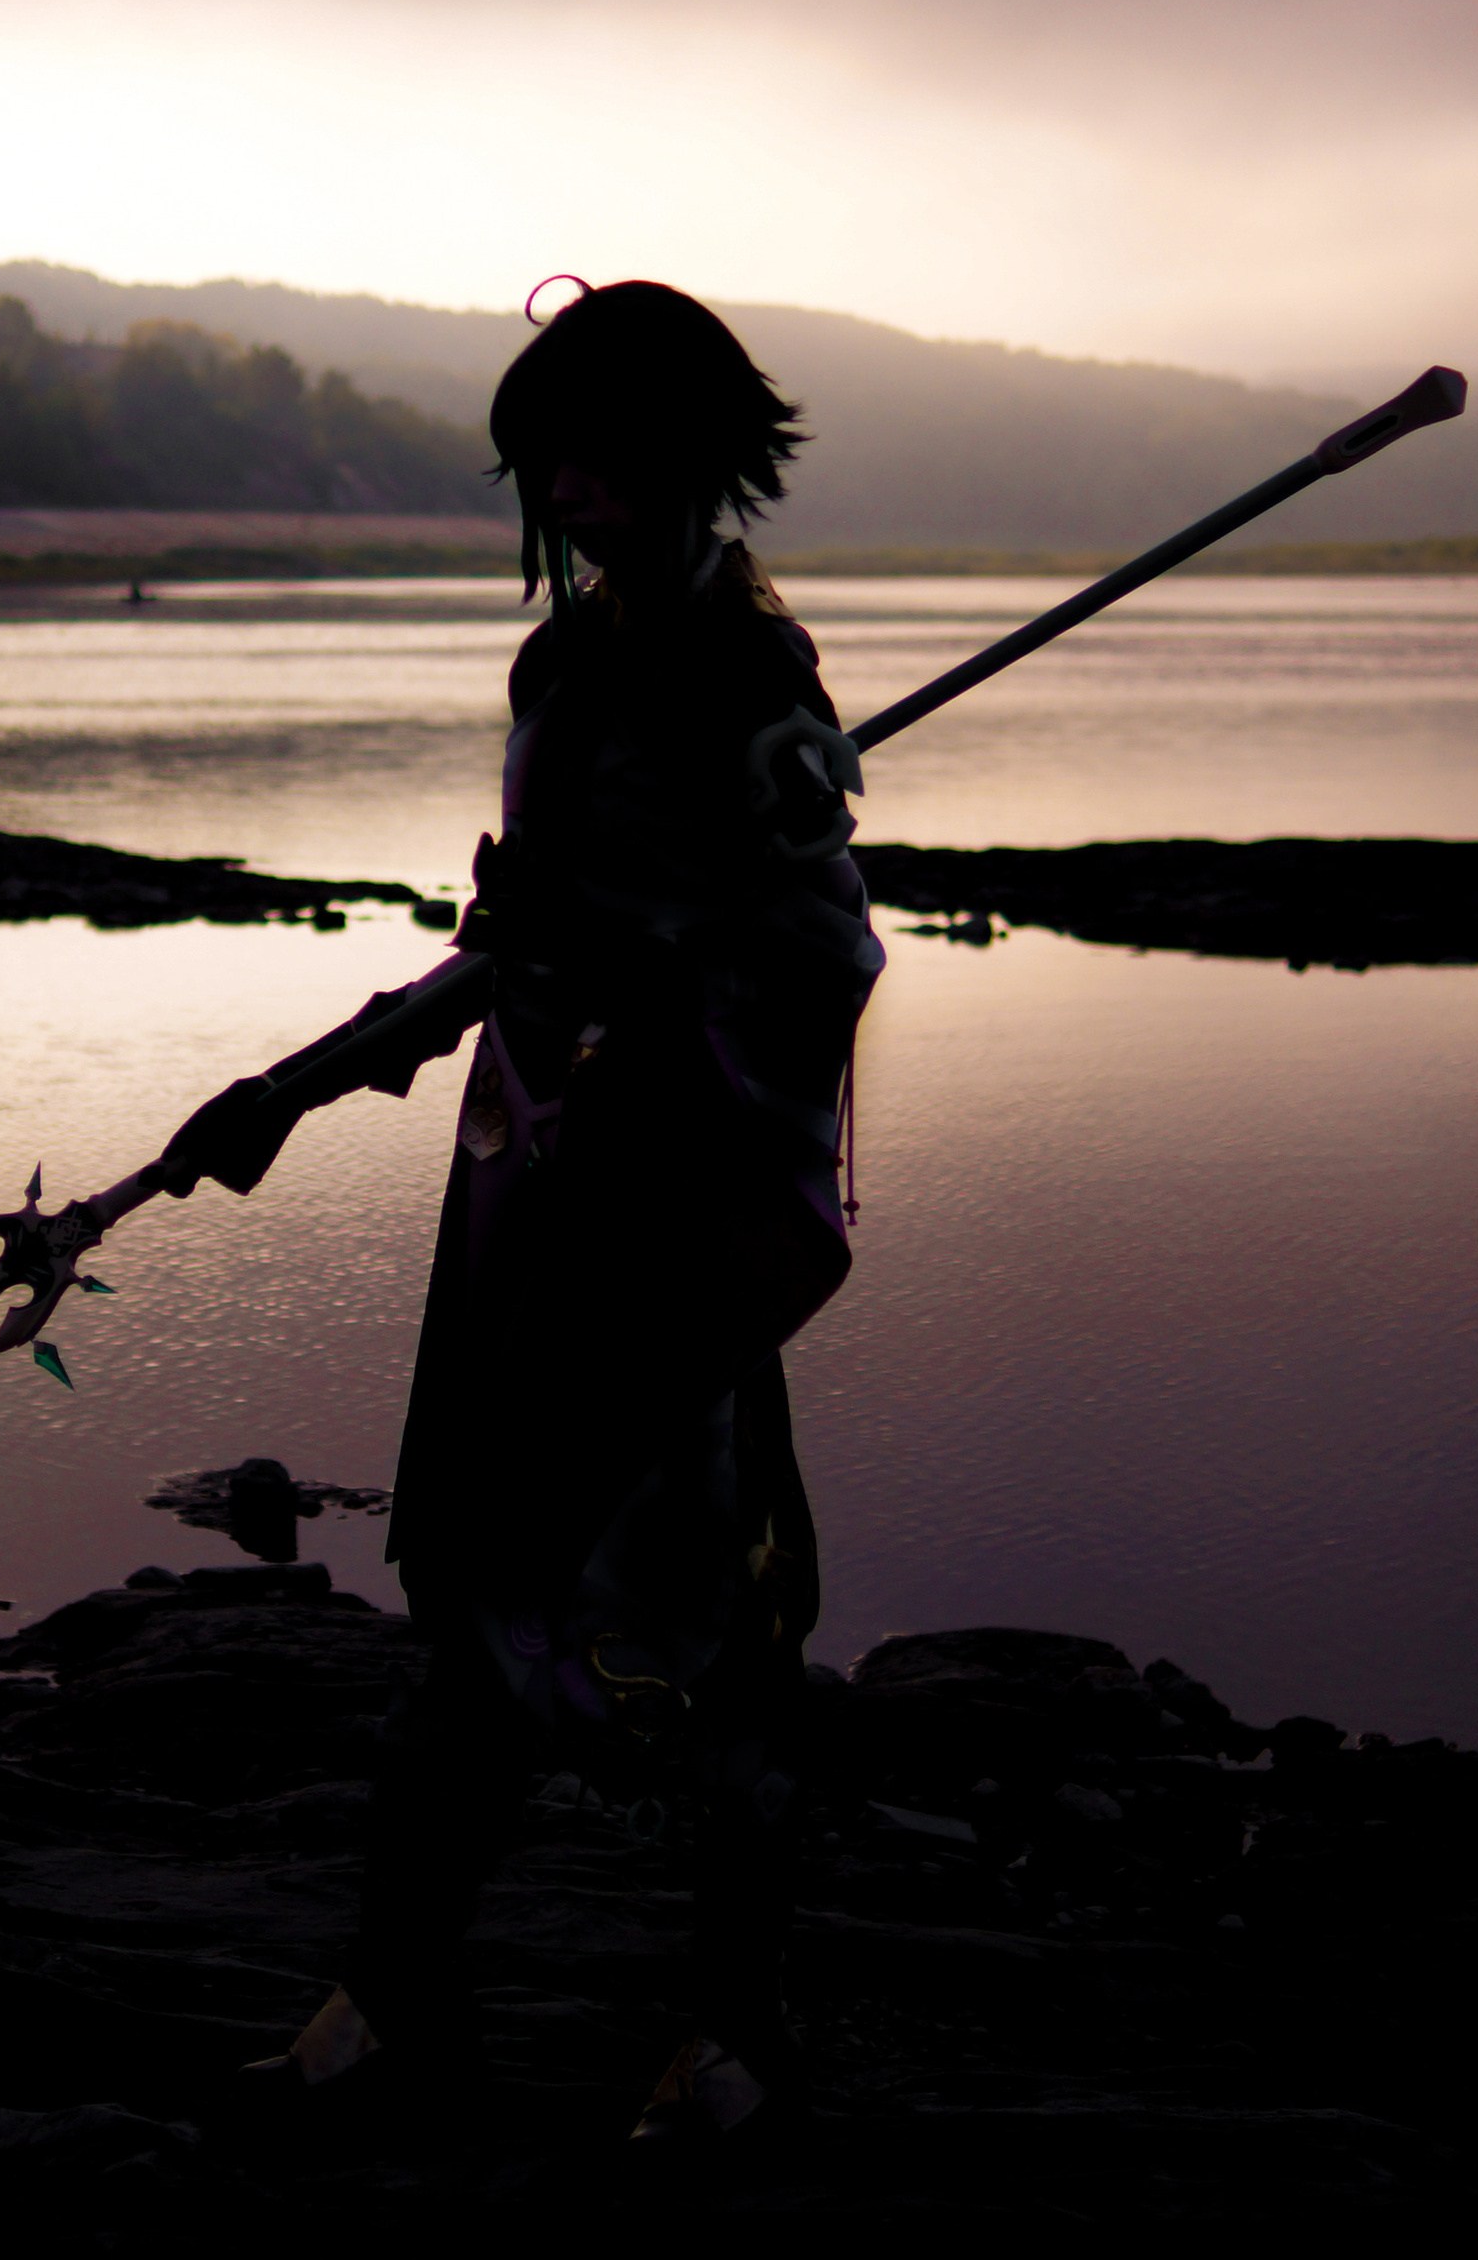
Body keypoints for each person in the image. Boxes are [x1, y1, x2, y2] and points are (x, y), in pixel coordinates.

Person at [168, 279, 884, 2143]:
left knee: (715, 1623)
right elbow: (507, 948)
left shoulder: (756, 687)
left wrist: (678, 988)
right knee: (479, 1586)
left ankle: (735, 2041)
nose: (569, 486)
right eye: (547, 455)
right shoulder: (562, 667)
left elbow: (822, 957)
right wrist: (292, 1090)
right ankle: (392, 2005)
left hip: (677, 1214)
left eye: (605, 451)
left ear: (693, 456)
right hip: (534, 1194)